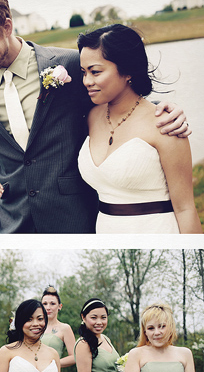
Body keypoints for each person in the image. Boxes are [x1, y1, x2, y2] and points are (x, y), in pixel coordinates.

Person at [0, 0, 190, 233]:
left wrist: (164, 109)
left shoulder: (72, 65)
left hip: (74, 220)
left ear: (7, 26)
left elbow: (121, 98)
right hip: (10, 225)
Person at [77, 24, 202, 234]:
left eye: (95, 72)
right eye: (83, 72)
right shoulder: (89, 116)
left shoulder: (165, 125)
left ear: (127, 71)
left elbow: (186, 209)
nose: (87, 81)